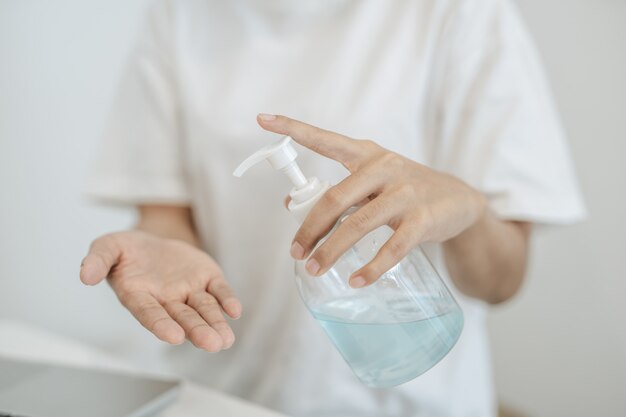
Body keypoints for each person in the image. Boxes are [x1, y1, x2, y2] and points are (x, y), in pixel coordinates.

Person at [79, 0, 585, 416]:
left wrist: (468, 205)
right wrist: (164, 243)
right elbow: (167, 210)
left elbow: (503, 281)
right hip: (227, 398)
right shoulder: (180, 16)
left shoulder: (458, 13)